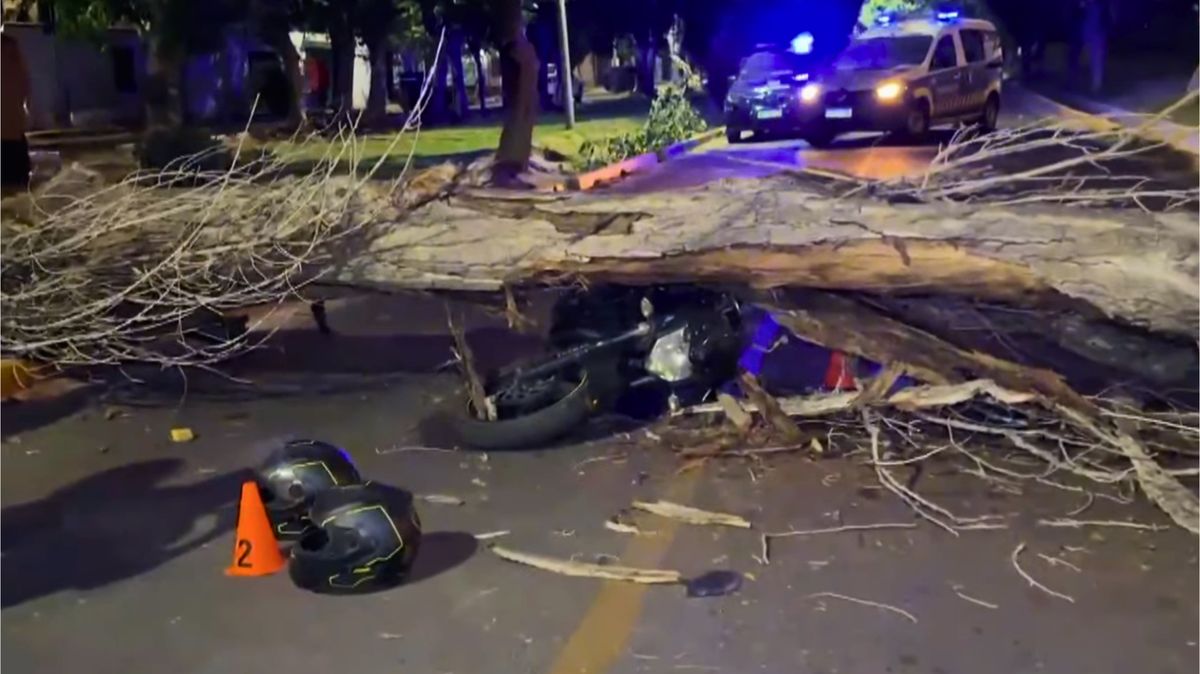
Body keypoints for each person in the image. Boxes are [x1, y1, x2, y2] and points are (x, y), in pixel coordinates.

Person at [1, 31, 32, 191]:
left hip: (12, 136)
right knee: (18, 191)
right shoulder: (12, 48)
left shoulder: (11, 47)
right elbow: (26, 85)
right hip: (14, 134)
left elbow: (25, 85)